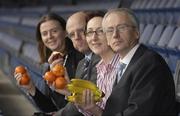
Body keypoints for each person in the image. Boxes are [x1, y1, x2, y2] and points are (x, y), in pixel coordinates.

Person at [101, 8, 177, 116]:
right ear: (107, 40)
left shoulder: (150, 63)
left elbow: (139, 112)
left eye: (121, 28)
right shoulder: (126, 62)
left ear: (136, 33)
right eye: (109, 30)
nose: (115, 35)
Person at [14, 13, 83, 113]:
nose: (49, 36)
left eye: (54, 31)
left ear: (65, 32)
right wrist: (31, 88)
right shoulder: (49, 66)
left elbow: (86, 104)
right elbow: (51, 109)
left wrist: (70, 92)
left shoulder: (81, 58)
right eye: (44, 33)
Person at [54, 11, 103, 116]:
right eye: (72, 34)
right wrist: (68, 89)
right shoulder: (81, 64)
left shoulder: (103, 59)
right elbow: (79, 105)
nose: (76, 37)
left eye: (81, 31)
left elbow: (91, 102)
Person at [74, 15, 122, 116]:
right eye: (90, 32)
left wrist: (94, 109)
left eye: (100, 31)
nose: (94, 38)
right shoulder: (99, 66)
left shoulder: (122, 67)